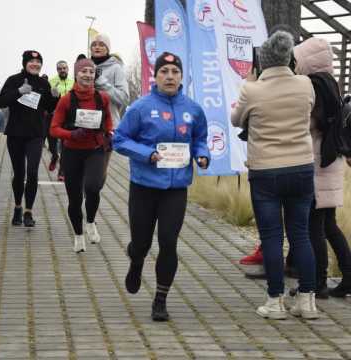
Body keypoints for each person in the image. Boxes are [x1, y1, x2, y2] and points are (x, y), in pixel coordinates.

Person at [114, 52, 210, 322]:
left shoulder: (193, 109)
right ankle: (136, 261)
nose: (169, 76)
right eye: (164, 71)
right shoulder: (141, 107)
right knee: (142, 243)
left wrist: (202, 155)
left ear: (181, 77)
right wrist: (146, 154)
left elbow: (200, 138)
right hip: (144, 187)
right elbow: (119, 139)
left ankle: (160, 299)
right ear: (155, 76)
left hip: (176, 188)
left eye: (174, 72)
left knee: (168, 242)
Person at [231, 31, 319, 320]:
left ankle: (275, 300)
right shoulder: (305, 85)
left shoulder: (252, 89)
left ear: (262, 62)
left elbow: (236, 119)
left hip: (266, 171)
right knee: (301, 235)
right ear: (289, 59)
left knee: (271, 236)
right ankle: (307, 300)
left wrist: (250, 82)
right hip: (302, 168)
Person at [293, 37, 351, 298]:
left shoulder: (314, 88)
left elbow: (309, 126)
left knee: (314, 225)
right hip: (331, 161)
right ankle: (348, 278)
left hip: (317, 162)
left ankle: (319, 282)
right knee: (328, 225)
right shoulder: (332, 85)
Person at [50, 58, 113, 253]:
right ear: (76, 74)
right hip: (72, 152)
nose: (87, 75)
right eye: (83, 71)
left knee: (93, 187)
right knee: (75, 199)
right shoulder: (66, 99)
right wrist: (71, 134)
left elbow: (108, 120)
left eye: (91, 72)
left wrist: (109, 134)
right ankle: (78, 235)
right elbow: (53, 129)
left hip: (95, 150)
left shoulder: (102, 97)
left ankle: (91, 221)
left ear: (95, 75)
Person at [0, 50, 58, 227]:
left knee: (32, 173)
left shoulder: (43, 83)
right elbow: (2, 101)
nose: (35, 64)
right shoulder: (13, 80)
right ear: (25, 63)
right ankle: (17, 207)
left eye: (38, 62)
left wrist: (55, 98)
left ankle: (28, 212)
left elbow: (49, 107)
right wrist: (19, 91)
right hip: (15, 134)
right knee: (19, 173)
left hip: (35, 135)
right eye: (31, 61)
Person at [48, 61, 74, 180]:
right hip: (53, 115)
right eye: (60, 69)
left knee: (65, 145)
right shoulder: (52, 81)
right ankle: (54, 155)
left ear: (68, 69)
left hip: (67, 117)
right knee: (52, 143)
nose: (62, 70)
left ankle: (62, 172)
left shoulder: (73, 82)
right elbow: (46, 98)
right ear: (57, 70)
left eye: (64, 68)